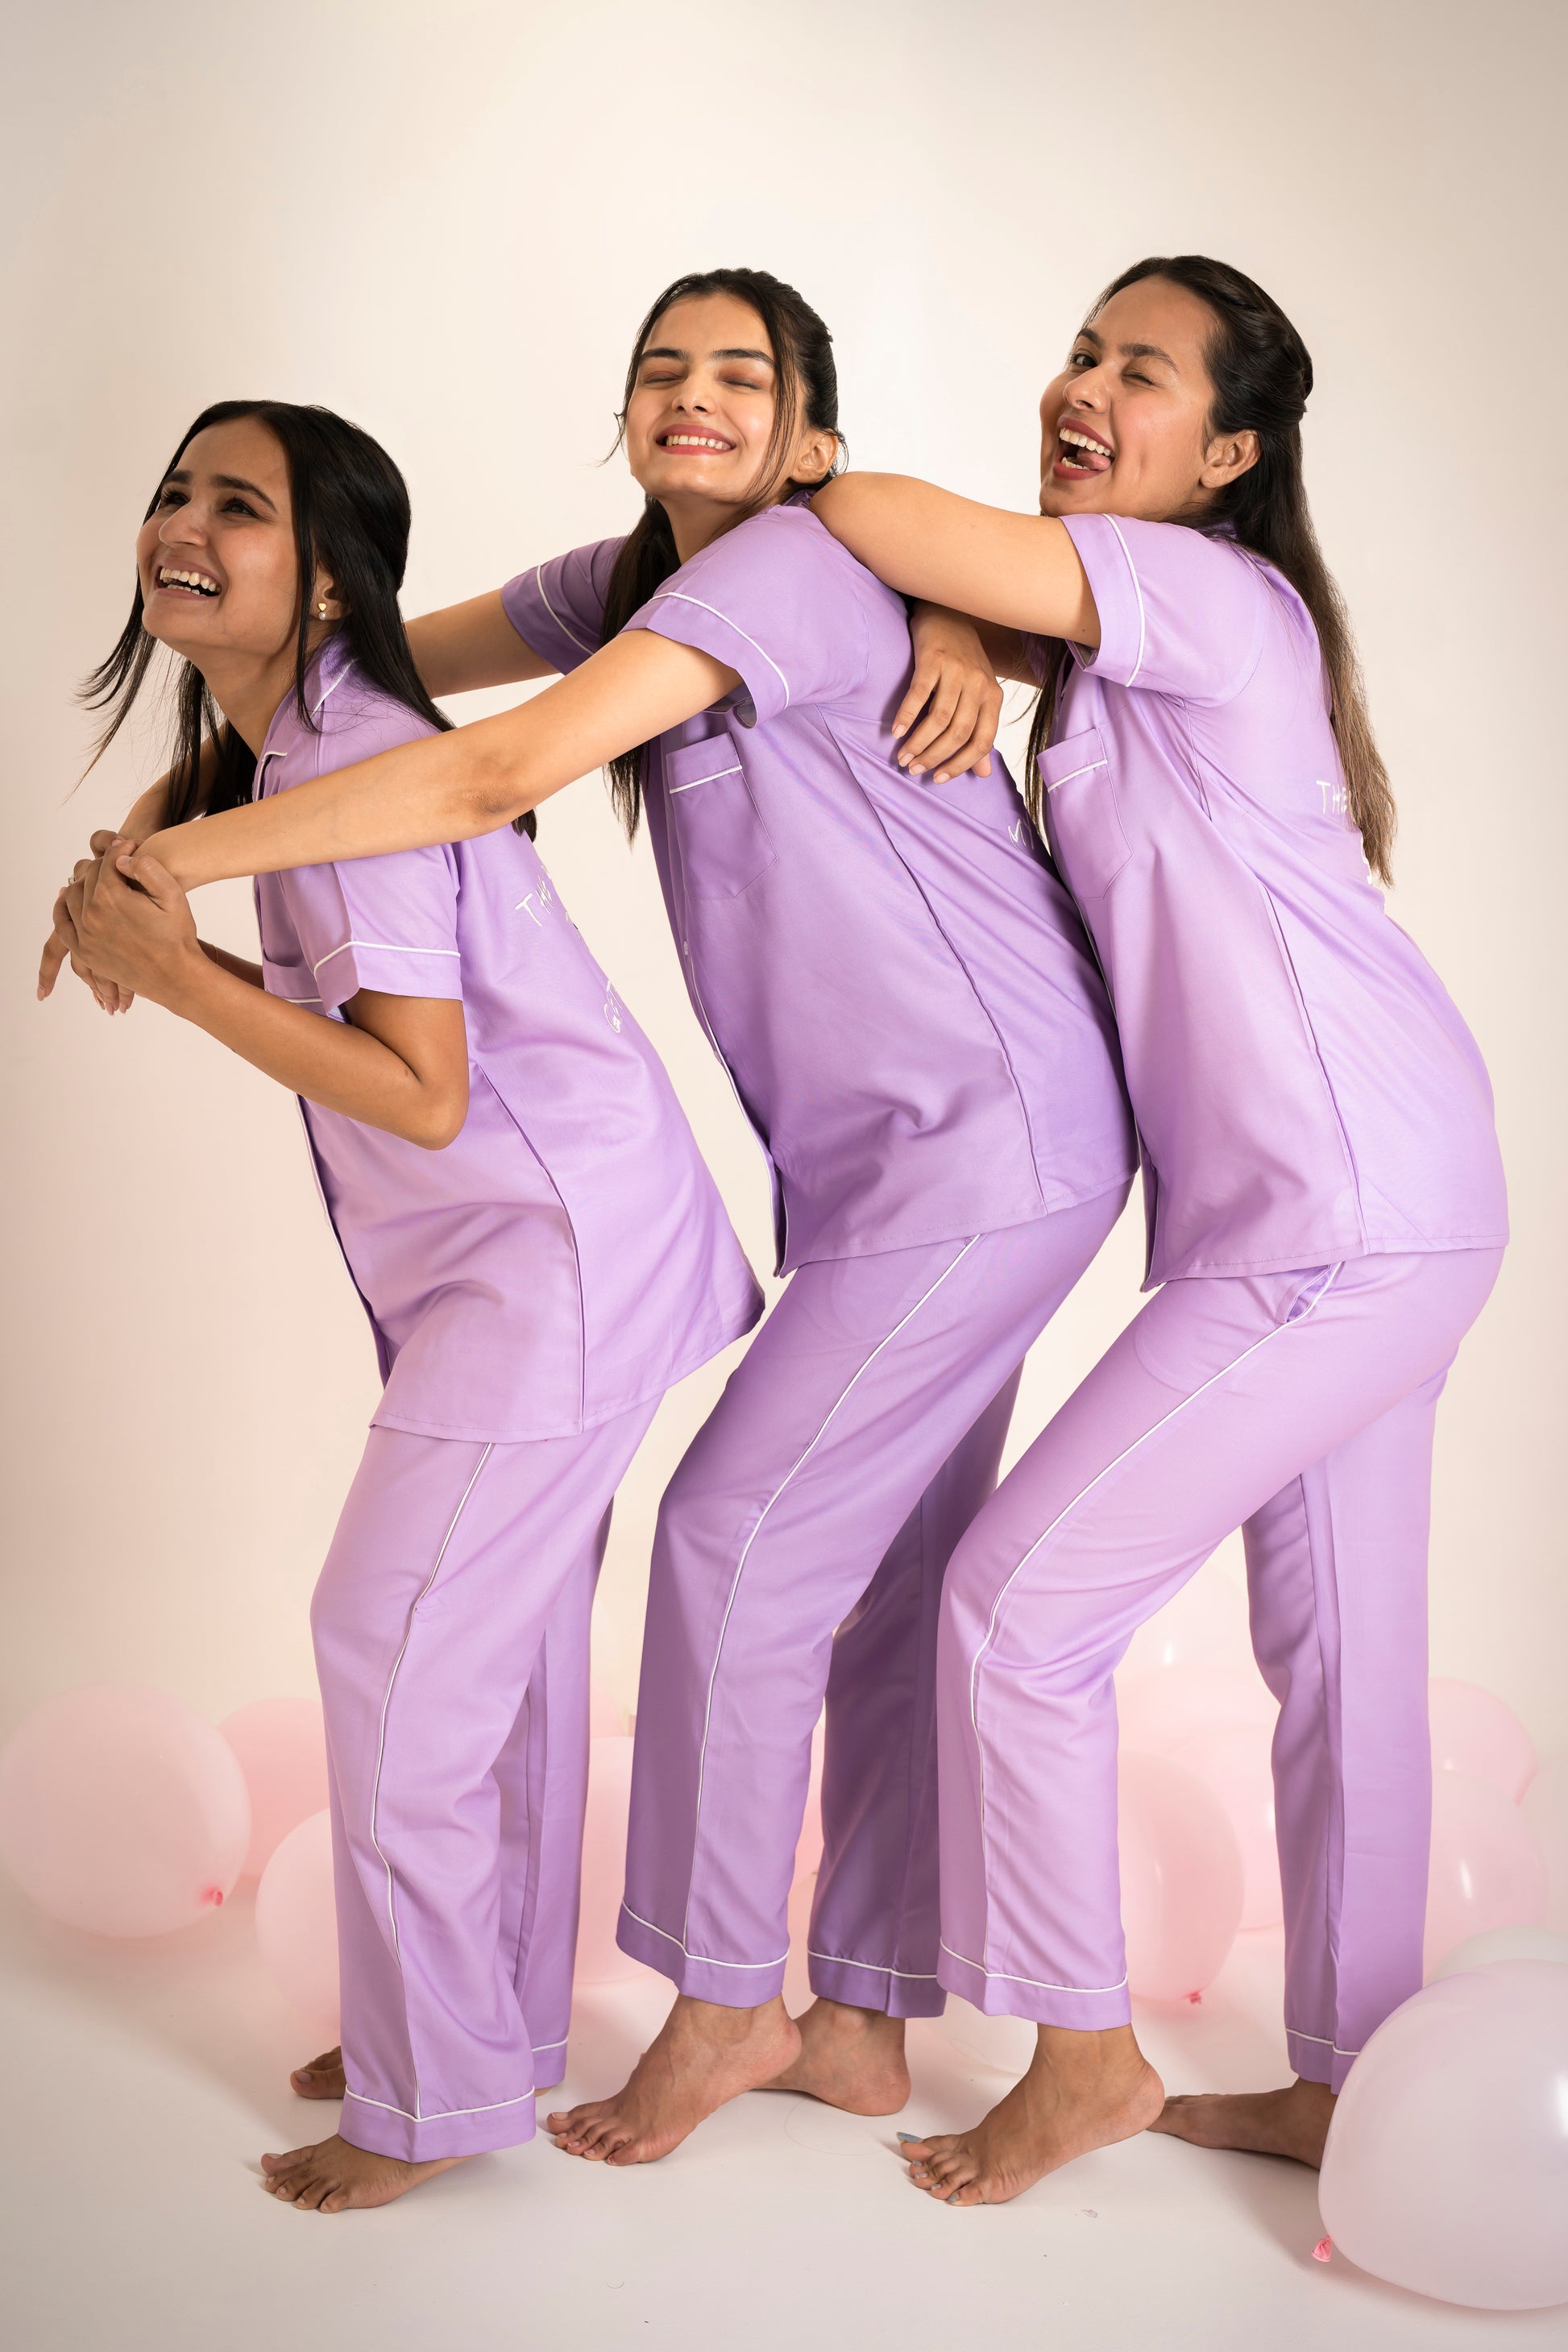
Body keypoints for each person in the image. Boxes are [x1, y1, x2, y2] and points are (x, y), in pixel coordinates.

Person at [64, 269, 1136, 2165]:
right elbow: (378, 648)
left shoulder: (794, 561)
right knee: (882, 1576)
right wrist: (171, 800)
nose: (690, 392)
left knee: (728, 1537)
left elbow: (479, 767)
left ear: (814, 440)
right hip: (883, 1163)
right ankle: (859, 2017)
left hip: (986, 1133)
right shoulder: (627, 584)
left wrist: (169, 881)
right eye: (660, 367)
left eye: (740, 374)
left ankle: (725, 2003)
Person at [807, 253, 1508, 2205]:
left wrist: (949, 587)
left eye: (1139, 371)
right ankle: (1353, 2079)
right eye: (1078, 352)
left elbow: (868, 511)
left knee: (1014, 1608)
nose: (1082, 387)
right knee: (1342, 1659)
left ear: (1228, 455)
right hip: (1384, 1200)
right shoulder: (1131, 640)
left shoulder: (1201, 593)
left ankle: (1083, 2056)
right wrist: (965, 610)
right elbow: (928, 566)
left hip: (1331, 1221)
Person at [58, 398, 762, 2213]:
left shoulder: (350, 769)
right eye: (175, 489)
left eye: (241, 504)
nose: (183, 523)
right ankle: (468, 2034)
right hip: (556, 1245)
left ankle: (425, 2098)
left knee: (390, 1642)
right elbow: (203, 804)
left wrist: (178, 969)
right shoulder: (292, 749)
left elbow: (423, 1093)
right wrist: (132, 867)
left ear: (327, 581)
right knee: (497, 1664)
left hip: (550, 1264)